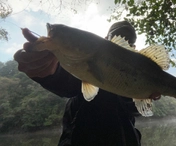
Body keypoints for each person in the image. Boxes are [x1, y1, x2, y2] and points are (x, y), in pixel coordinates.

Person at [14, 21, 150, 146]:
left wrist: (145, 90)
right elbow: (67, 82)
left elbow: (136, 109)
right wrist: (49, 72)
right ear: (105, 40)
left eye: (128, 42)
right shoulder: (83, 64)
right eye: (115, 39)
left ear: (133, 48)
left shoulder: (141, 75)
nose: (121, 45)